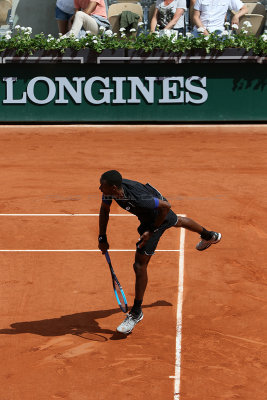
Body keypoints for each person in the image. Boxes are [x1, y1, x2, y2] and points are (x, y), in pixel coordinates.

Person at [98, 170, 221, 335]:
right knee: (176, 220)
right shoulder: (111, 192)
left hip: (157, 218)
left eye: (102, 185)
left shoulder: (138, 199)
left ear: (113, 187)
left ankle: (136, 313)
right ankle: (210, 236)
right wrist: (102, 236)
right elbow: (105, 210)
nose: (100, 188)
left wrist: (150, 231)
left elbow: (165, 207)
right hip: (150, 209)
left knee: (139, 265)